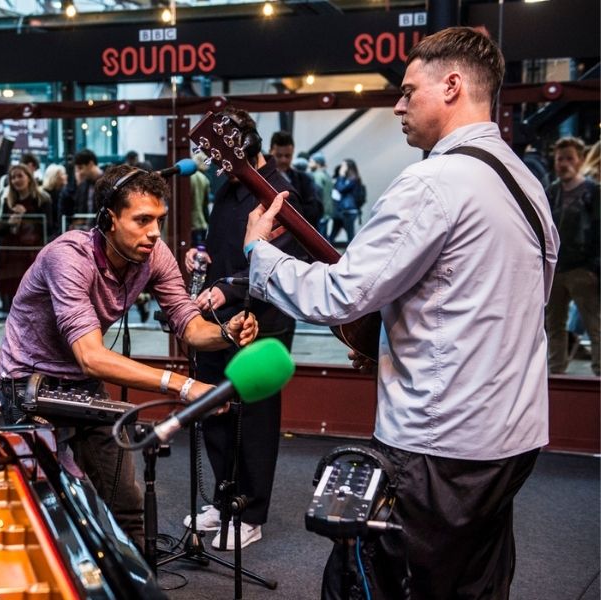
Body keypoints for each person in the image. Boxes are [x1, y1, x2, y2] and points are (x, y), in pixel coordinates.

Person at [243, 27, 558, 599]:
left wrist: (259, 255)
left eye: (409, 91)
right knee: (475, 587)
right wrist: (394, 339)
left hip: (439, 445)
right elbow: (492, 305)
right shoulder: (527, 184)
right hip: (512, 441)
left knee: (377, 585)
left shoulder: (434, 181)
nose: (398, 104)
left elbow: (341, 294)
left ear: (453, 86)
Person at [0, 165, 258, 552]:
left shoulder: (155, 255)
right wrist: (183, 386)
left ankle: (135, 584)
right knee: (55, 504)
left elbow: (189, 326)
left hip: (81, 384)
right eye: (142, 220)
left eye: (159, 220)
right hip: (29, 384)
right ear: (109, 219)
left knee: (127, 505)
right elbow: (91, 356)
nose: (154, 231)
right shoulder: (68, 258)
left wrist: (225, 332)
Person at [183, 107, 311, 550]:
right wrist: (202, 256)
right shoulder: (228, 187)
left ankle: (251, 512)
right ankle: (224, 500)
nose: (215, 165)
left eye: (220, 155)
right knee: (215, 413)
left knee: (253, 421)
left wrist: (228, 287)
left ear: (245, 149)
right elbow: (226, 246)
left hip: (262, 322)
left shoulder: (279, 193)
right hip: (220, 322)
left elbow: (283, 262)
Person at [544, 136, 600, 376]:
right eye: (560, 159)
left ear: (578, 161)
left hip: (581, 268)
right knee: (554, 325)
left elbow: (598, 229)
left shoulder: (592, 192)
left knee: (594, 324)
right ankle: (556, 373)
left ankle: (599, 372)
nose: (563, 163)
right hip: (557, 269)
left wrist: (594, 267)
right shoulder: (551, 191)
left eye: (569, 158)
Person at [0, 164, 52, 311]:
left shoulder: (42, 199)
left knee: (34, 295)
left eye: (20, 176)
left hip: (32, 253)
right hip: (12, 254)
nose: (16, 180)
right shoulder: (8, 201)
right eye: (13, 177)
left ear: (29, 178)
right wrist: (9, 222)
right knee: (13, 296)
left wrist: (26, 216)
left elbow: (49, 225)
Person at [269, 130, 323, 226]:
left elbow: (314, 210)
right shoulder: (262, 179)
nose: (283, 160)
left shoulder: (304, 179)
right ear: (271, 152)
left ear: (293, 153)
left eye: (287, 156)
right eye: (279, 155)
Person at [62, 149, 104, 230]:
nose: (79, 172)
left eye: (81, 168)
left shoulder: (108, 182)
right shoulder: (83, 185)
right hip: (86, 233)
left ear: (91, 164)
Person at [331, 159, 364, 244]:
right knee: (334, 235)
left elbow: (340, 189)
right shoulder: (350, 179)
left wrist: (341, 176)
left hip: (349, 211)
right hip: (344, 210)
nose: (341, 168)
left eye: (343, 166)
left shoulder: (353, 179)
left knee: (350, 236)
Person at [309, 152, 334, 240]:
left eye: (311, 162)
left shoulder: (317, 176)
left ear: (317, 163)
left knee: (319, 239)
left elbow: (317, 194)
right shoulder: (327, 175)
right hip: (328, 210)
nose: (309, 164)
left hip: (321, 210)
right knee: (324, 238)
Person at [41, 163, 68, 239]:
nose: (66, 176)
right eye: (63, 174)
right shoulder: (44, 195)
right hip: (49, 233)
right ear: (55, 177)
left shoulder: (64, 193)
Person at [189, 151, 210, 246]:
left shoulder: (188, 177)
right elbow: (205, 205)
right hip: (200, 223)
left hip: (190, 223)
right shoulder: (204, 179)